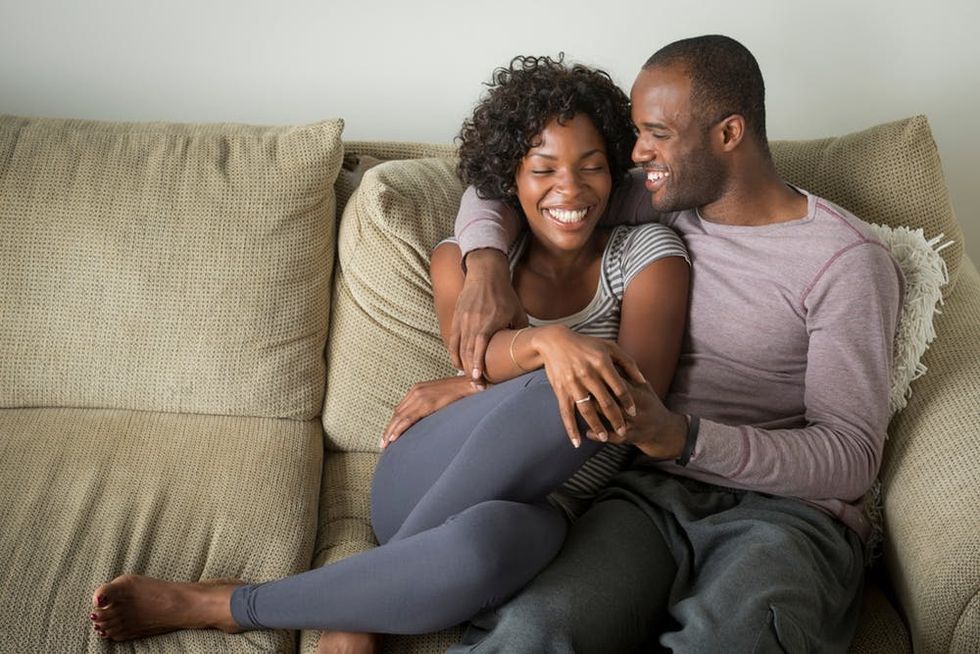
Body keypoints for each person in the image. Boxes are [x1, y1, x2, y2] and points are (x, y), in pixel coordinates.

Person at [86, 55, 690, 652]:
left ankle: (347, 604)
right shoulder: (464, 261)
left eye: (592, 167)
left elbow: (631, 411)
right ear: (511, 177)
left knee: (490, 540)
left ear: (615, 172)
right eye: (544, 169)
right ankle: (237, 607)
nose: (571, 189)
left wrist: (495, 373)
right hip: (429, 475)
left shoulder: (648, 256)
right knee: (567, 380)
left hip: (556, 505)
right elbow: (481, 360)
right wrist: (548, 343)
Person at [446, 35, 905, 653]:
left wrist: (683, 438)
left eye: (655, 133)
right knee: (532, 633)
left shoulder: (845, 262)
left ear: (728, 133)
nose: (636, 153)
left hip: (788, 518)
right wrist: (485, 266)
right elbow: (499, 183)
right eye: (636, 134)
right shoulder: (661, 200)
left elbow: (851, 458)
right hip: (645, 500)